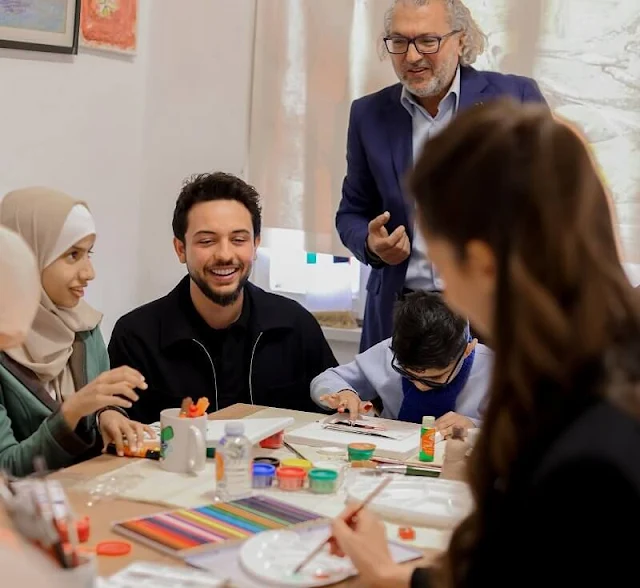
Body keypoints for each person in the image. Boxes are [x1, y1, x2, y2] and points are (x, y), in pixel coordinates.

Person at [329, 100, 640, 586]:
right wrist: (395, 575)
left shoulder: (589, 453)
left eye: (442, 266)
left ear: (483, 263)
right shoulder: (575, 362)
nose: (445, 291)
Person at [336, 0, 547, 352]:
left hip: (494, 312)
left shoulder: (516, 98)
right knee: (389, 409)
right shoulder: (368, 114)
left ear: (461, 41)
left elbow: (554, 204)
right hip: (399, 315)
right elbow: (351, 213)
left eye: (428, 41)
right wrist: (372, 245)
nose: (412, 56)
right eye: (399, 42)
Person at [109, 172, 337, 423]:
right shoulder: (136, 336)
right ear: (180, 249)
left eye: (239, 239)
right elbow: (121, 438)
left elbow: (330, 420)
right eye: (207, 241)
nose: (225, 255)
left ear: (255, 245)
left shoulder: (295, 325)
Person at [0, 188, 152, 477]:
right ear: (30, 255)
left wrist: (107, 414)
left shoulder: (84, 327)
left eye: (88, 254)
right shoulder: (5, 335)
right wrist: (71, 413)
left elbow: (97, 409)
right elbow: (6, 468)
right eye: (73, 255)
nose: (89, 273)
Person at [311, 291, 491, 436]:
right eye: (408, 374)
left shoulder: (493, 369)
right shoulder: (387, 351)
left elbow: (516, 432)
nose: (420, 386)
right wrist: (344, 393)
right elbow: (327, 378)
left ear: (468, 350)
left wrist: (475, 426)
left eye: (434, 378)